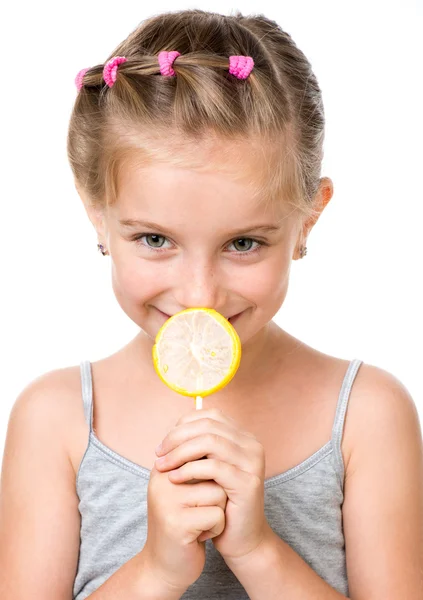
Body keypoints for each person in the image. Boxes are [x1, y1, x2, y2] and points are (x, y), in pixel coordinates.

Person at [0, 8, 422, 600]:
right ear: (97, 214)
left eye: (244, 243)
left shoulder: (367, 416)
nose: (200, 295)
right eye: (154, 239)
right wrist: (156, 570)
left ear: (309, 219)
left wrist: (258, 551)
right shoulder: (56, 420)